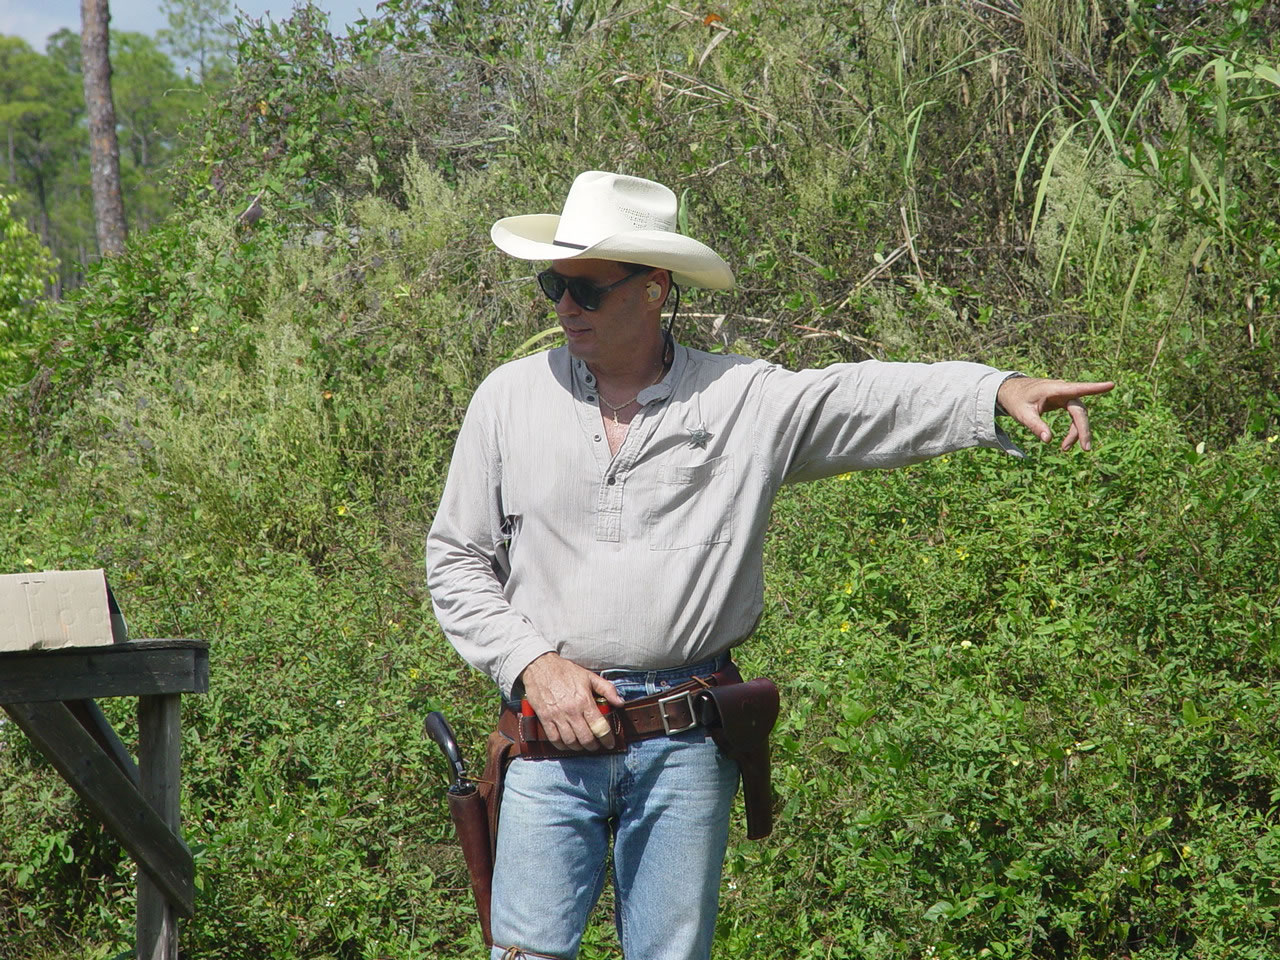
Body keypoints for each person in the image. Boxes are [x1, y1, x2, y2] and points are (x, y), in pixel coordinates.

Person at [425, 170, 1114, 960]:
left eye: (585, 288)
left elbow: (865, 397)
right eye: (554, 284)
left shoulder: (740, 399)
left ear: (652, 290)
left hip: (684, 736)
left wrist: (998, 390)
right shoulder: (509, 399)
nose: (563, 307)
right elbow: (456, 560)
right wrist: (533, 666)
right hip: (546, 734)